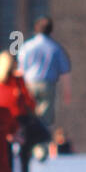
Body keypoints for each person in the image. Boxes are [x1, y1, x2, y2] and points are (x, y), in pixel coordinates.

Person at [17, 16, 71, 160]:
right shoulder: (55, 47)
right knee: (45, 118)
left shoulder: (27, 46)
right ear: (51, 31)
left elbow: (20, 70)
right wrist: (67, 92)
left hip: (28, 85)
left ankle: (27, 145)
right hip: (47, 85)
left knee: (29, 116)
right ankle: (40, 147)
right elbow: (65, 71)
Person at [0, 51, 37, 172]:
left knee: (7, 158)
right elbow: (30, 102)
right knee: (21, 157)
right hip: (14, 120)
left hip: (7, 121)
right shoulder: (14, 81)